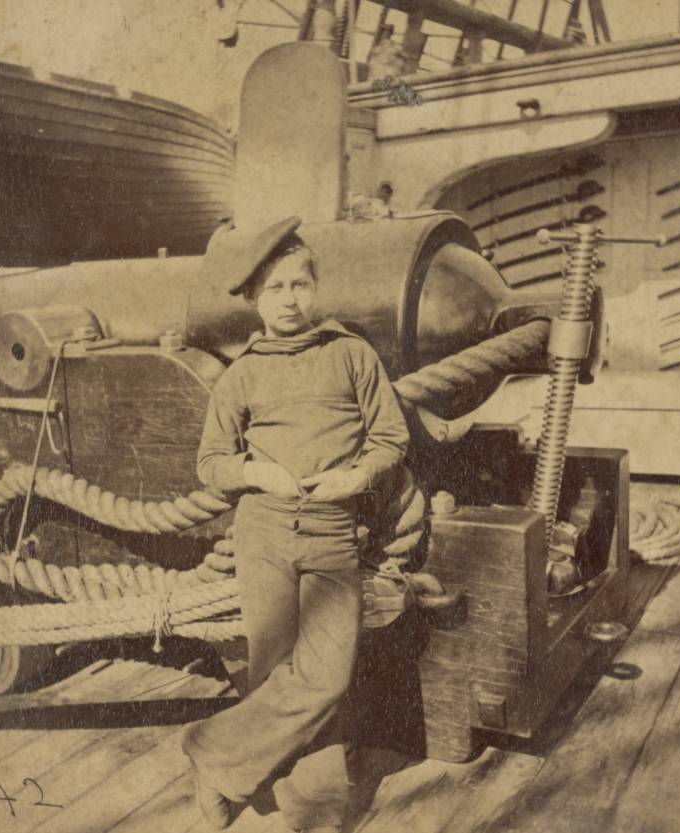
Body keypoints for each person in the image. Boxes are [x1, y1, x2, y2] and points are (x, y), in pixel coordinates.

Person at [182, 215, 410, 833]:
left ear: (316, 289)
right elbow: (210, 465)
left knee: (326, 675)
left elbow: (391, 437)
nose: (290, 299)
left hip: (333, 530)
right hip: (264, 533)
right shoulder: (241, 375)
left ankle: (214, 757)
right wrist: (256, 473)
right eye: (276, 289)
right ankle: (314, 811)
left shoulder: (352, 355)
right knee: (272, 672)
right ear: (256, 300)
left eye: (299, 285)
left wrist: (357, 477)